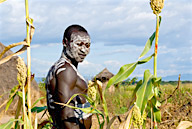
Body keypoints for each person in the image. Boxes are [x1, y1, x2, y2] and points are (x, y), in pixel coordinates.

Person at [45, 24, 92, 129]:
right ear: (65, 42)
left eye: (87, 45)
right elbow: (66, 114)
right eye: (79, 44)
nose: (84, 50)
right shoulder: (66, 71)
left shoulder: (60, 67)